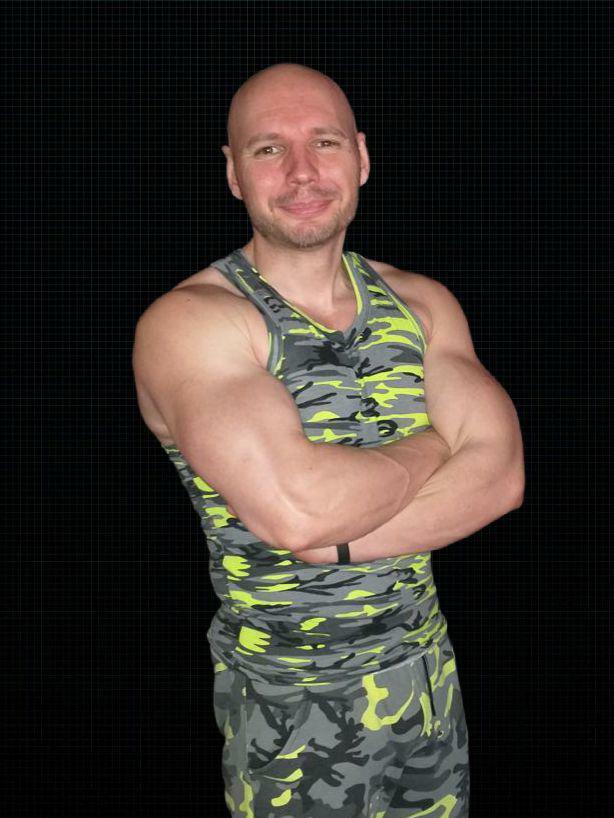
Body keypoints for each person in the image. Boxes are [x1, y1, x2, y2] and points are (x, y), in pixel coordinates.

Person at [132, 62, 524, 818]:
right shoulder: (193, 323)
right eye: (269, 149)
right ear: (234, 174)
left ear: (362, 157)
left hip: (428, 682)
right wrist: (432, 445)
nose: (302, 171)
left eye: (325, 142)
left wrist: (338, 537)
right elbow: (299, 512)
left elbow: (501, 477)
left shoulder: (421, 303)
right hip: (289, 708)